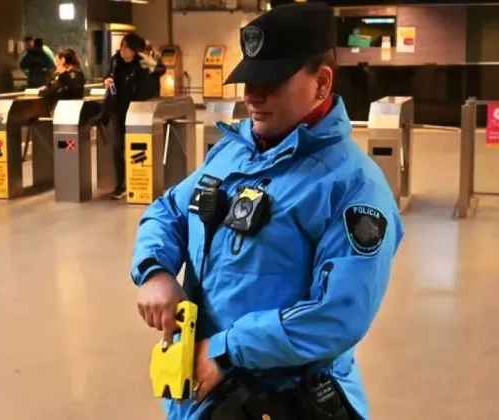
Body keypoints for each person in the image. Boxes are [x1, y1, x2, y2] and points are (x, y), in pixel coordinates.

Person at [131, 3, 404, 420]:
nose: (253, 96)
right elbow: (169, 211)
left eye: (271, 82)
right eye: (249, 81)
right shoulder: (232, 153)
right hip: (205, 394)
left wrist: (226, 351)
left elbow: (337, 314)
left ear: (322, 83)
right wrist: (156, 269)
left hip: (285, 400)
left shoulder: (352, 186)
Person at [102, 32, 166, 200]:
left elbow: (160, 70)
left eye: (128, 48)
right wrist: (107, 80)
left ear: (135, 50)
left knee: (135, 147)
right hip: (118, 109)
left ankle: (137, 183)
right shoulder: (115, 60)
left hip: (137, 110)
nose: (124, 51)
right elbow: (107, 75)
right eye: (122, 47)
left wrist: (153, 57)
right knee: (117, 147)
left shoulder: (142, 63)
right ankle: (120, 184)